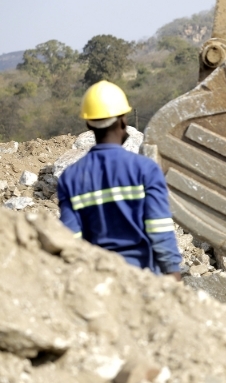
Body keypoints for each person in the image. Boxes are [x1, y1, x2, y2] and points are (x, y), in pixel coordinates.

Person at [57, 80, 183, 279]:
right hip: (142, 278)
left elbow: (70, 239)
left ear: (89, 123)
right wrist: (173, 275)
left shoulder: (70, 178)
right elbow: (159, 228)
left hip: (98, 282)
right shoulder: (145, 170)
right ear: (123, 121)